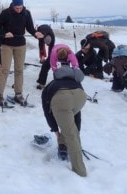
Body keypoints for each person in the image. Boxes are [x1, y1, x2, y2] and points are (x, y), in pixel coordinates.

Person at [41, 48, 87, 177]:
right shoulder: (75, 81)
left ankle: (80, 171)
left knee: (71, 135)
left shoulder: (51, 86)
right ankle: (66, 145)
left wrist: (55, 130)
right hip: (80, 97)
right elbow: (76, 113)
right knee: (72, 129)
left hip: (61, 100)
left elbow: (47, 112)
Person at [0, 0, 43, 106]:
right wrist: (5, 33)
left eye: (20, 7)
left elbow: (30, 28)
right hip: (7, 45)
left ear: (23, 5)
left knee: (19, 70)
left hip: (20, 45)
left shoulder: (26, 13)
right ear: (13, 5)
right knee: (5, 69)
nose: (19, 10)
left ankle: (18, 94)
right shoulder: (6, 13)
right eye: (17, 8)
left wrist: (35, 33)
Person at [35, 24, 56, 90]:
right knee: (42, 49)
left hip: (48, 30)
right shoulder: (41, 38)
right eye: (46, 44)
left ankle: (58, 84)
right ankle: (41, 83)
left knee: (49, 59)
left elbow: (51, 50)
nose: (47, 45)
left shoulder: (52, 38)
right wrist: (42, 57)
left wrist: (50, 60)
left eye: (48, 44)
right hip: (40, 29)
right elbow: (41, 47)